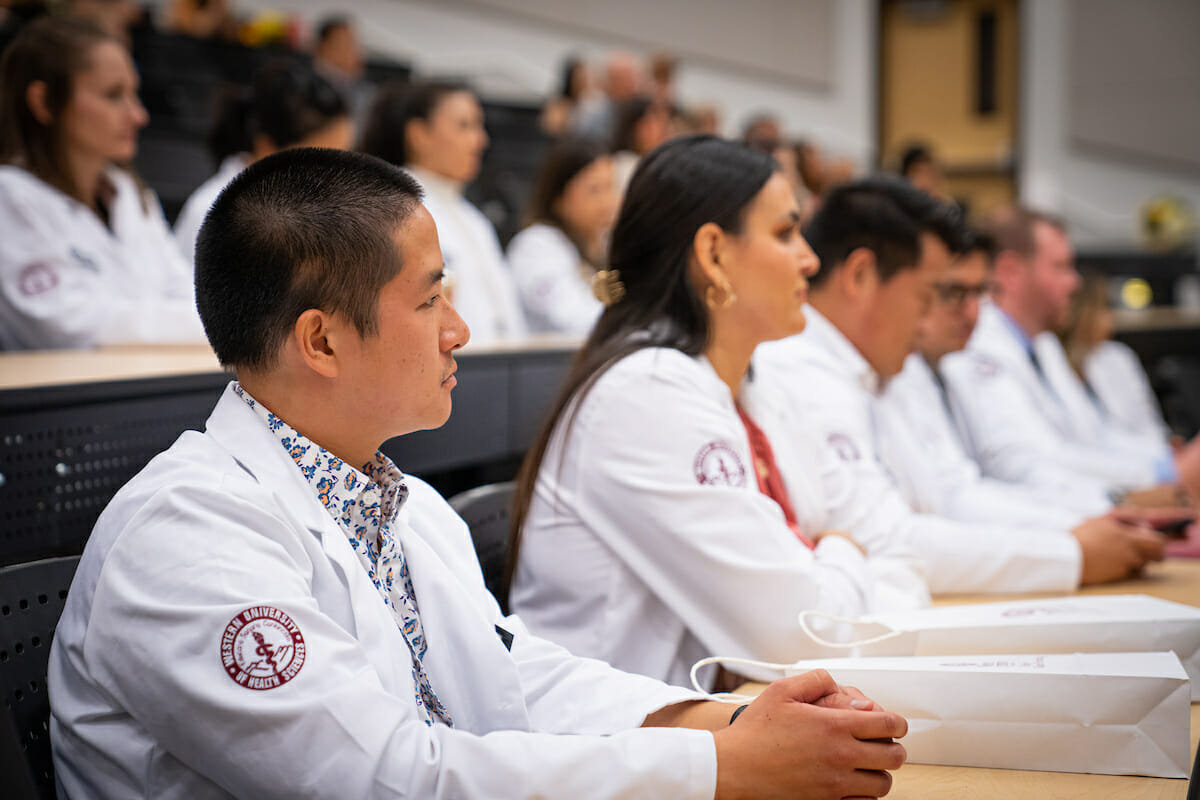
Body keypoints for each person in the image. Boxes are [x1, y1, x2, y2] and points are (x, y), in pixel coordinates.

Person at [48, 147, 908, 799]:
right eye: (428, 301)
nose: (458, 330)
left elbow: (514, 675)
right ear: (321, 341)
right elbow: (385, 777)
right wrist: (714, 765)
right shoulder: (186, 532)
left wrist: (729, 721)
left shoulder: (406, 504)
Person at [509, 137, 930, 690]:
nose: (809, 258)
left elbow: (883, 546)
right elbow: (803, 639)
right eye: (784, 233)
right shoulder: (647, 395)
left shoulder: (753, 385)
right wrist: (841, 550)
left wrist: (834, 562)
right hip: (616, 755)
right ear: (712, 255)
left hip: (711, 731)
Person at [755, 179, 1163, 593]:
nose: (932, 316)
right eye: (929, 294)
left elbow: (954, 492)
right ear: (860, 276)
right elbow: (884, 540)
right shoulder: (799, 371)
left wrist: (1076, 528)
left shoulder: (884, 368)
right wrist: (1071, 554)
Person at [940, 206, 1200, 502]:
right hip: (1052, 513)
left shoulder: (1044, 346)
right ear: (1011, 271)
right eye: (1061, 266)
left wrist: (1167, 462)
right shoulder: (975, 346)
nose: (1074, 282)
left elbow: (1093, 437)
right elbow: (1027, 462)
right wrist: (1163, 475)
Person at [877, 231, 1117, 527]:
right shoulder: (910, 371)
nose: (973, 312)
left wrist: (1095, 515)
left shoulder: (942, 367)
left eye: (980, 293)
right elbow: (957, 496)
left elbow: (968, 486)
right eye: (952, 293)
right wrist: (1080, 528)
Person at [0, 16, 204, 350]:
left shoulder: (128, 192)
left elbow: (184, 291)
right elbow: (74, 327)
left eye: (133, 94)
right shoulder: (10, 197)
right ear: (44, 102)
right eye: (113, 95)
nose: (138, 115)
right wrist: (215, 326)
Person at [360, 79, 527, 344]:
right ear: (418, 134)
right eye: (464, 126)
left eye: (479, 126)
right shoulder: (394, 209)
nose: (481, 140)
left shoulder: (474, 218)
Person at [173, 59, 353, 264]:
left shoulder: (320, 212)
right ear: (266, 147)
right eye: (322, 164)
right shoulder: (213, 214)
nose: (338, 178)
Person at [508, 136, 617, 335]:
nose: (607, 203)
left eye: (610, 187)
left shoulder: (601, 246)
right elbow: (570, 320)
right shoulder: (536, 246)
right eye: (594, 190)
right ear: (558, 197)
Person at [1061, 274, 1174, 443]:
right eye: (1102, 309)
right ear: (1082, 314)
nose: (1110, 320)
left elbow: (1150, 425)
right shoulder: (1051, 361)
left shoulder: (1118, 357)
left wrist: (1166, 450)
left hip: (1144, 459)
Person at [609, 95, 671, 196]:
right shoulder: (625, 165)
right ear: (633, 129)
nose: (660, 129)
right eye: (650, 125)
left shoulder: (654, 164)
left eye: (662, 122)